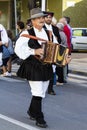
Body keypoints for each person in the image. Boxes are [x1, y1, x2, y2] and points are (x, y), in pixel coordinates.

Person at [15, 8, 58, 128]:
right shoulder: (26, 34)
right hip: (33, 66)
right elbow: (18, 49)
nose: (41, 20)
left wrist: (64, 57)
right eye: (38, 18)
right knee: (38, 92)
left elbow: (57, 47)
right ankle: (40, 118)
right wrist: (34, 51)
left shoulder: (49, 33)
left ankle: (31, 111)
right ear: (32, 21)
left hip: (46, 67)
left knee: (41, 92)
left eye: (42, 17)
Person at [43, 11, 61, 95]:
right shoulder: (41, 27)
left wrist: (56, 39)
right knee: (42, 69)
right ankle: (42, 87)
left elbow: (59, 40)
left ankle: (50, 89)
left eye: (50, 17)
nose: (48, 19)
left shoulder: (55, 28)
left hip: (53, 51)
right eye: (47, 17)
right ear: (44, 18)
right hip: (44, 51)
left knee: (52, 70)